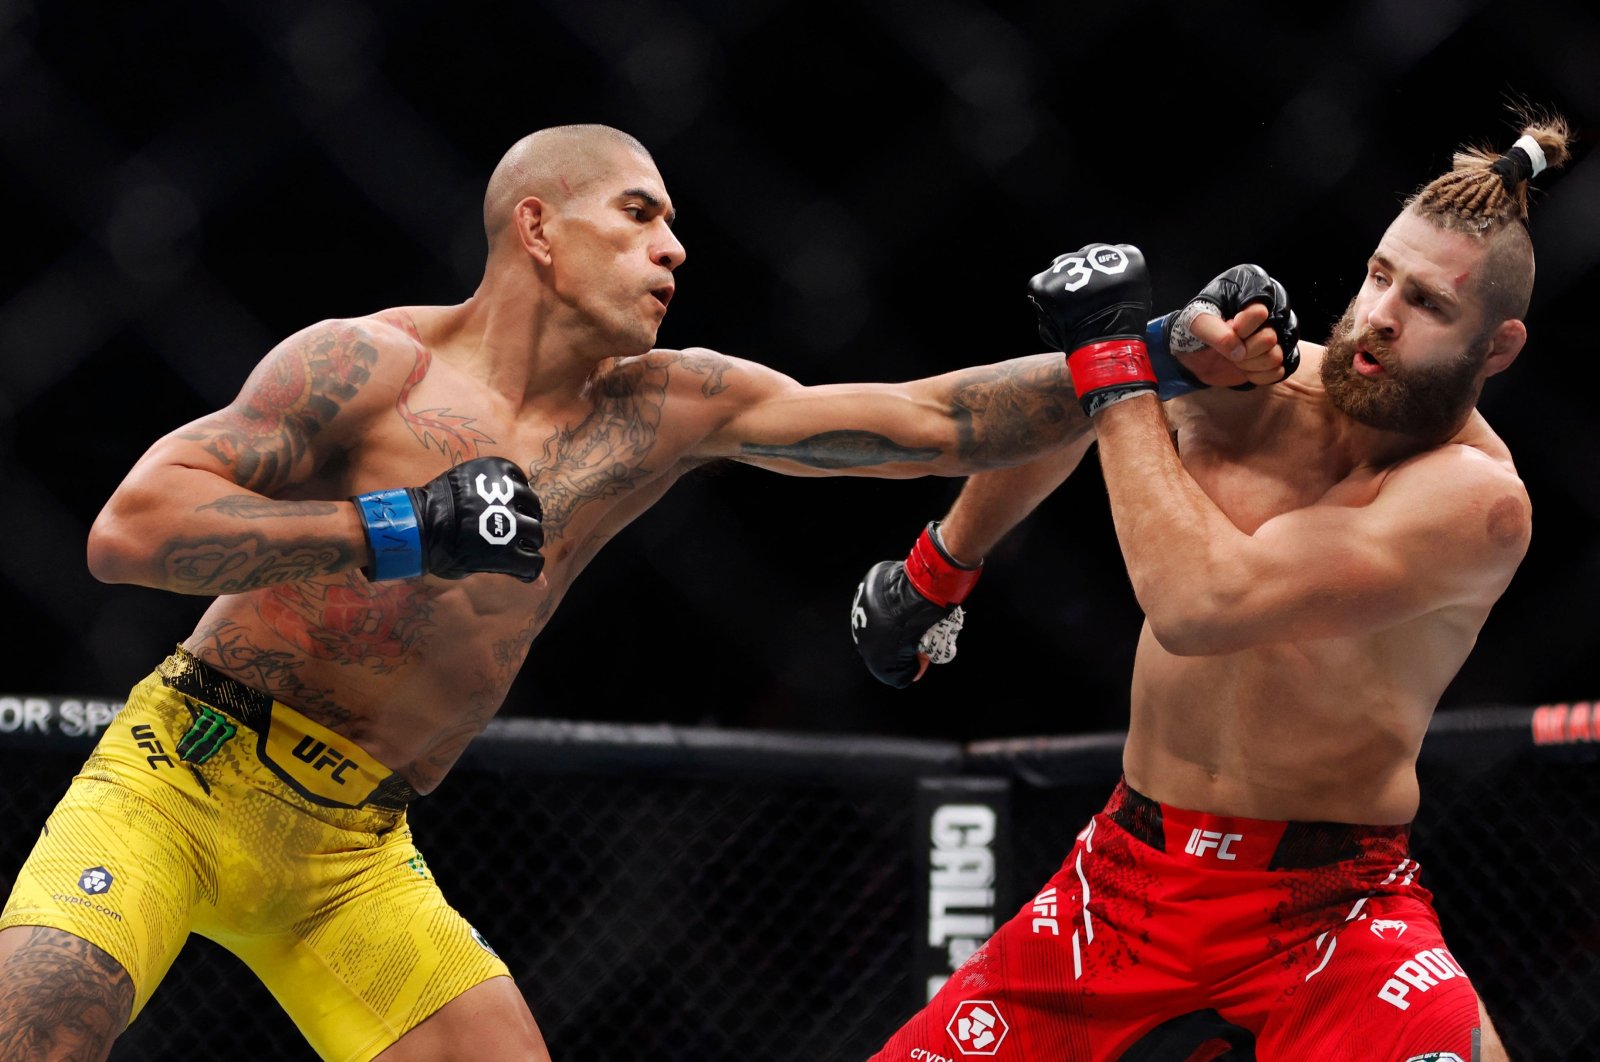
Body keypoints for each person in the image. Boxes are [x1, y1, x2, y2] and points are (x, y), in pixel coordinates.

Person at [0, 125, 1272, 1062]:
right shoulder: (366, 366)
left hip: (352, 848)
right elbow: (133, 529)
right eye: (639, 214)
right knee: (41, 1024)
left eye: (676, 229)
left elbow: (924, 422)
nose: (672, 250)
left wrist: (1149, 355)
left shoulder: (664, 407)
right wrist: (402, 528)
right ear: (537, 229)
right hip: (185, 771)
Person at [853, 108, 1569, 1060]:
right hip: (1124, 881)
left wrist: (1122, 363)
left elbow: (1200, 605)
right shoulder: (1257, 382)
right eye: (1379, 276)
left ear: (1500, 347)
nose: (1383, 316)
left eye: (1430, 305)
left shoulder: (1477, 502)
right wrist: (938, 569)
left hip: (1331, 912)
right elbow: (1061, 409)